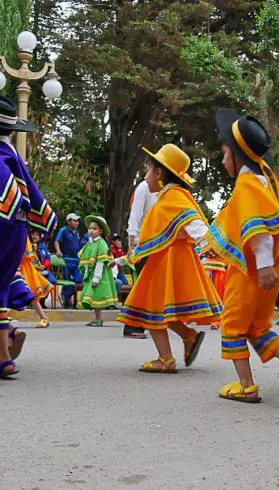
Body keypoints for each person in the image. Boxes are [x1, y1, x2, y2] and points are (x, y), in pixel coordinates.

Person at [206, 108, 279, 404]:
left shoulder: (247, 185)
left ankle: (246, 386)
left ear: (236, 155)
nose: (222, 159)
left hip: (251, 271)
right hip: (266, 269)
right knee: (257, 327)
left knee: (232, 324)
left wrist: (265, 265)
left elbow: (258, 228)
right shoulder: (262, 180)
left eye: (224, 153)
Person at [117, 144, 222, 373]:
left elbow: (193, 221)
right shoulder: (168, 196)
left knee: (150, 307)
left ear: (159, 173)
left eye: (148, 170)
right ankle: (189, 337)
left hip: (169, 260)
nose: (146, 176)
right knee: (162, 308)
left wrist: (207, 243)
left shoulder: (174, 196)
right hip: (166, 258)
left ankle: (166, 359)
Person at [0, 96, 57, 376]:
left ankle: (6, 347)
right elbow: (28, 196)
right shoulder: (13, 156)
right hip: (16, 231)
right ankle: (6, 345)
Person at [122, 180, 158, 339]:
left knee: (151, 288)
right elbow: (134, 216)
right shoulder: (144, 187)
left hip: (155, 245)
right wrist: (131, 246)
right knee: (144, 287)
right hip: (141, 244)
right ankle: (132, 326)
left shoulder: (163, 189)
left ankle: (148, 323)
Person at [78, 216, 118, 327]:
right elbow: (86, 257)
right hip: (91, 273)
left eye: (94, 228)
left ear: (100, 231)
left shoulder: (101, 243)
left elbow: (101, 262)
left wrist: (96, 277)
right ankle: (97, 318)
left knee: (95, 294)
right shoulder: (90, 243)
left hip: (100, 274)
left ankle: (98, 318)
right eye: (90, 228)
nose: (91, 230)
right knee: (94, 296)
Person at [20, 236, 54, 328]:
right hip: (12, 266)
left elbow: (26, 254)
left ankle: (44, 317)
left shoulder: (20, 231)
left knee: (32, 294)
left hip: (22, 267)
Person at [54, 213, 83, 308]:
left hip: (77, 260)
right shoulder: (63, 230)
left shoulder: (77, 232)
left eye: (77, 221)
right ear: (69, 221)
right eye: (74, 221)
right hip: (66, 260)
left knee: (79, 281)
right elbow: (56, 241)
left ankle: (64, 296)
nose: (77, 223)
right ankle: (68, 301)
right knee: (67, 281)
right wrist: (58, 250)